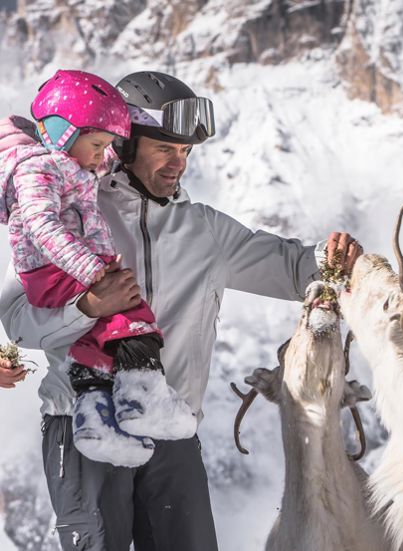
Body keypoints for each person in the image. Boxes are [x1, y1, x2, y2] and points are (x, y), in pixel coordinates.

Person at [0, 70, 363, 551]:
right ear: (125, 146)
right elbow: (18, 321)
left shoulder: (205, 231)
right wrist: (89, 306)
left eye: (186, 153)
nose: (179, 164)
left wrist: (333, 257)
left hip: (171, 427)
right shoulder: (75, 209)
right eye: (166, 149)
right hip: (82, 425)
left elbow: (294, 267)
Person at [0, 69, 195, 471]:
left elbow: (103, 159)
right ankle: (144, 396)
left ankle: (95, 420)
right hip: (57, 271)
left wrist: (124, 139)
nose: (100, 153)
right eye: (95, 143)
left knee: (98, 338)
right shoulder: (38, 169)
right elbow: (42, 226)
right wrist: (91, 271)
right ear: (61, 133)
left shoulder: (73, 161)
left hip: (68, 269)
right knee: (131, 315)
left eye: (106, 145)